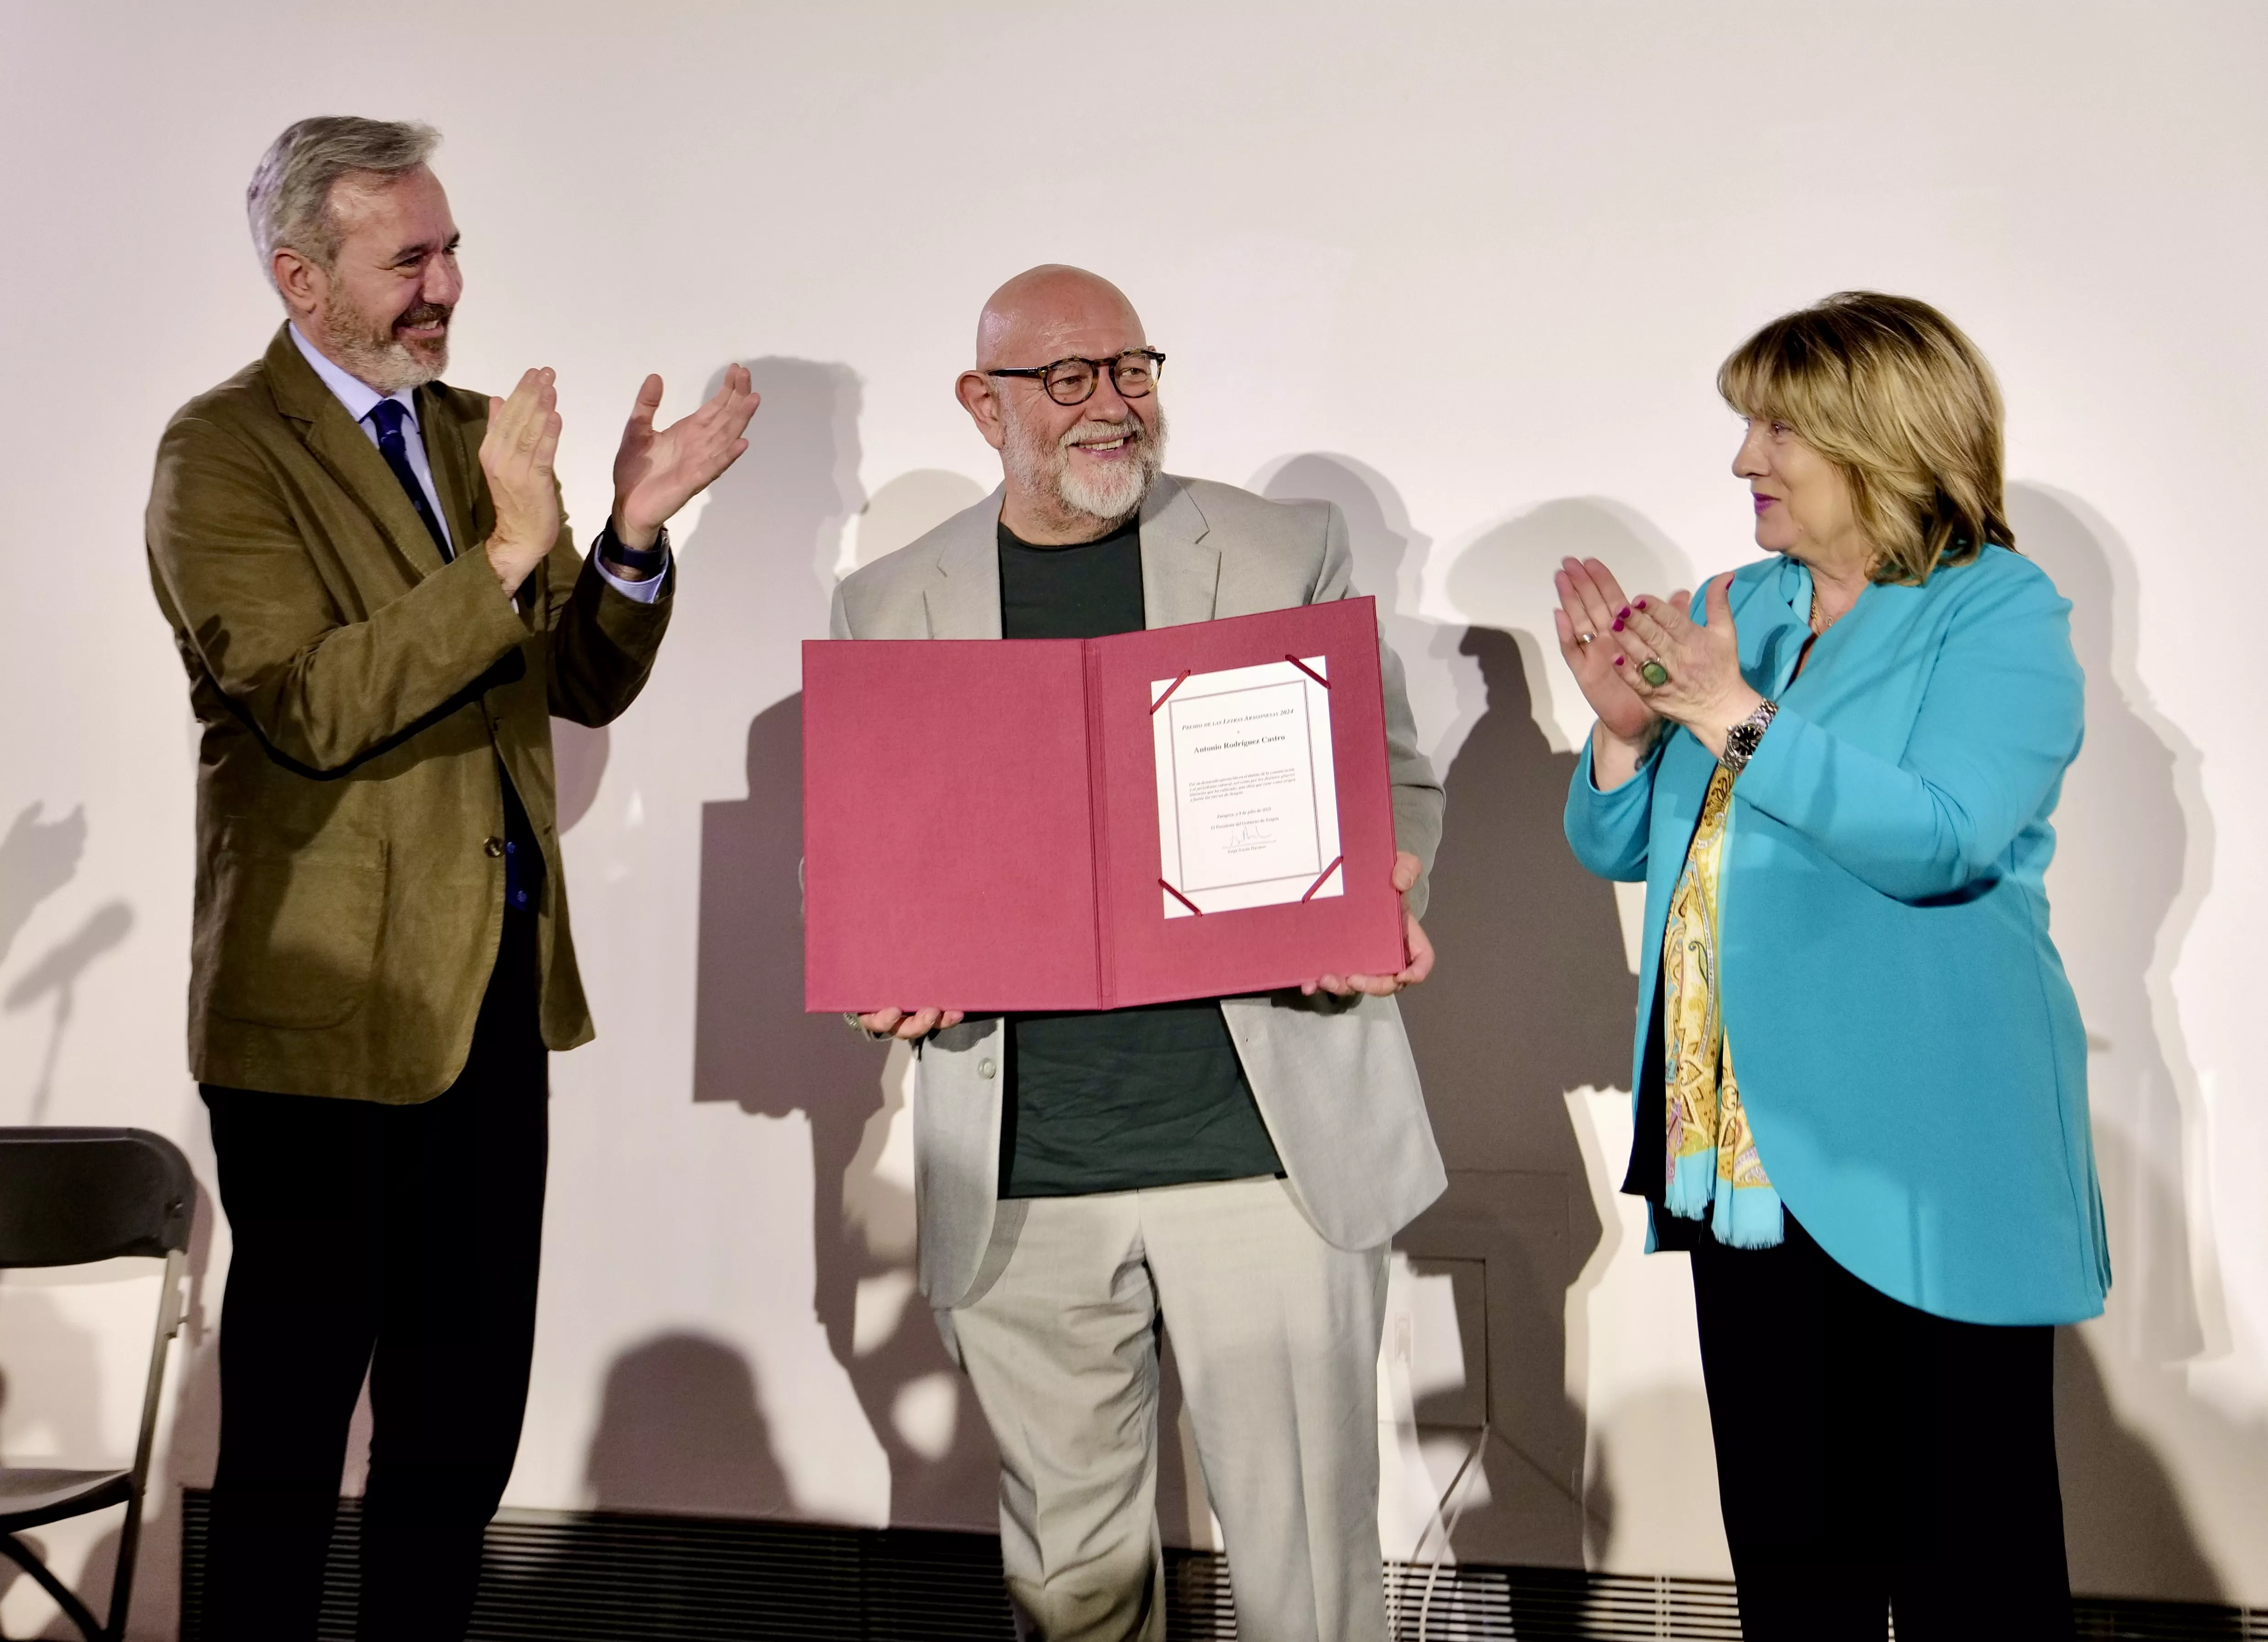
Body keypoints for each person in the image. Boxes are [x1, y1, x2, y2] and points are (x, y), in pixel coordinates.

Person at [144, 116, 758, 1640]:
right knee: (289, 1437)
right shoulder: (220, 453)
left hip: (490, 1000)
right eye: (406, 260)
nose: (445, 287)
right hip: (320, 1027)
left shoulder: (477, 432)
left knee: (460, 1424)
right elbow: (308, 703)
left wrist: (627, 535)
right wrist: (500, 556)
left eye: (452, 249)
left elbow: (577, 682)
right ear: (301, 278)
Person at [833, 265, 1445, 1642]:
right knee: (1073, 1588)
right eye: (1068, 378)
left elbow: (1393, 778)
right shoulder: (892, 598)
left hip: (1262, 1152)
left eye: (1132, 369)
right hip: (1021, 1167)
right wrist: (879, 966)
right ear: (981, 403)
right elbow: (866, 844)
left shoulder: (1281, 548)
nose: (1112, 404)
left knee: (1309, 1577)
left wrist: (1381, 885)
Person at [1557, 292, 2107, 1639]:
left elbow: (1942, 838)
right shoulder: (1735, 605)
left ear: (1880, 439)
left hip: (1918, 1139)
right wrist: (1624, 733)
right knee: (1795, 1564)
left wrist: (1730, 715)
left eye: (1778, 429)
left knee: (1971, 1569)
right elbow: (1628, 846)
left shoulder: (1994, 610)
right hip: (1735, 1144)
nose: (1744, 459)